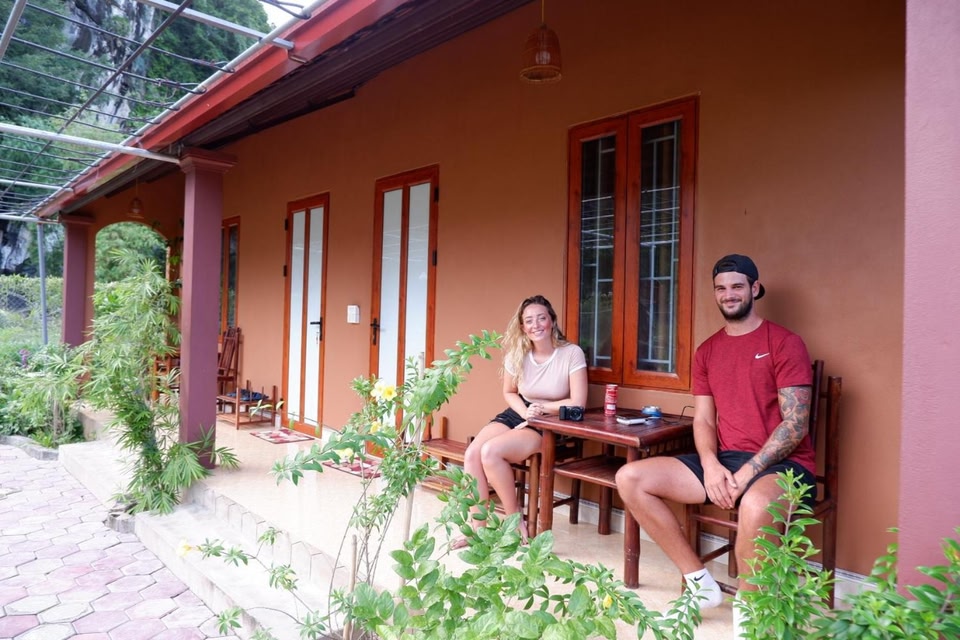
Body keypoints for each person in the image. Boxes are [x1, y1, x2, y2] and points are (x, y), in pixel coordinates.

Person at [615, 254, 815, 636]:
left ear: (755, 288)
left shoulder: (785, 342)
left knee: (755, 504)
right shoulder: (707, 351)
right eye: (721, 288)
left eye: (737, 286)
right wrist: (710, 464)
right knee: (630, 478)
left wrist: (748, 472)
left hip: (785, 464)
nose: (729, 294)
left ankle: (749, 616)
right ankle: (700, 584)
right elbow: (704, 420)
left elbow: (795, 424)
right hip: (726, 460)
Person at [458, 294, 588, 547]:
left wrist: (540, 409)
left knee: (491, 452)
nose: (536, 325)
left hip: (551, 420)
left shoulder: (571, 353)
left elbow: (578, 402)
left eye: (541, 318)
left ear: (552, 321)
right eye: (529, 320)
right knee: (473, 453)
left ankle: (515, 521)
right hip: (520, 410)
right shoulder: (518, 354)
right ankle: (477, 531)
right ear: (522, 326)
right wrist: (526, 411)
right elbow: (510, 392)